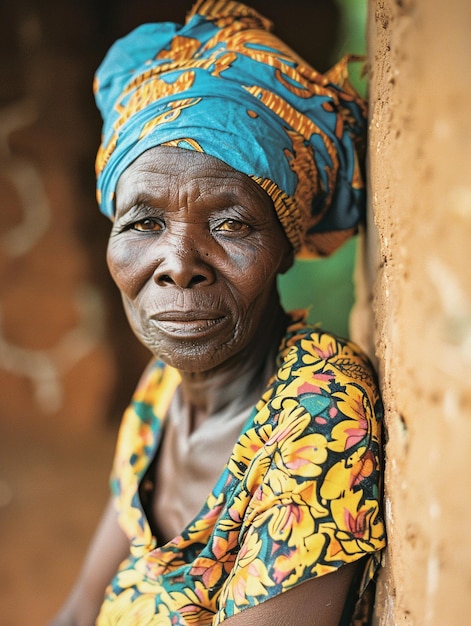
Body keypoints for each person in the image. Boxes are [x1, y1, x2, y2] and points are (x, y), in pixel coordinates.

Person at [50, 1, 386, 624]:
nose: (180, 264)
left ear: (286, 250)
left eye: (231, 224)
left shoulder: (319, 415)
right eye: (143, 222)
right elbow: (76, 612)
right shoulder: (160, 397)